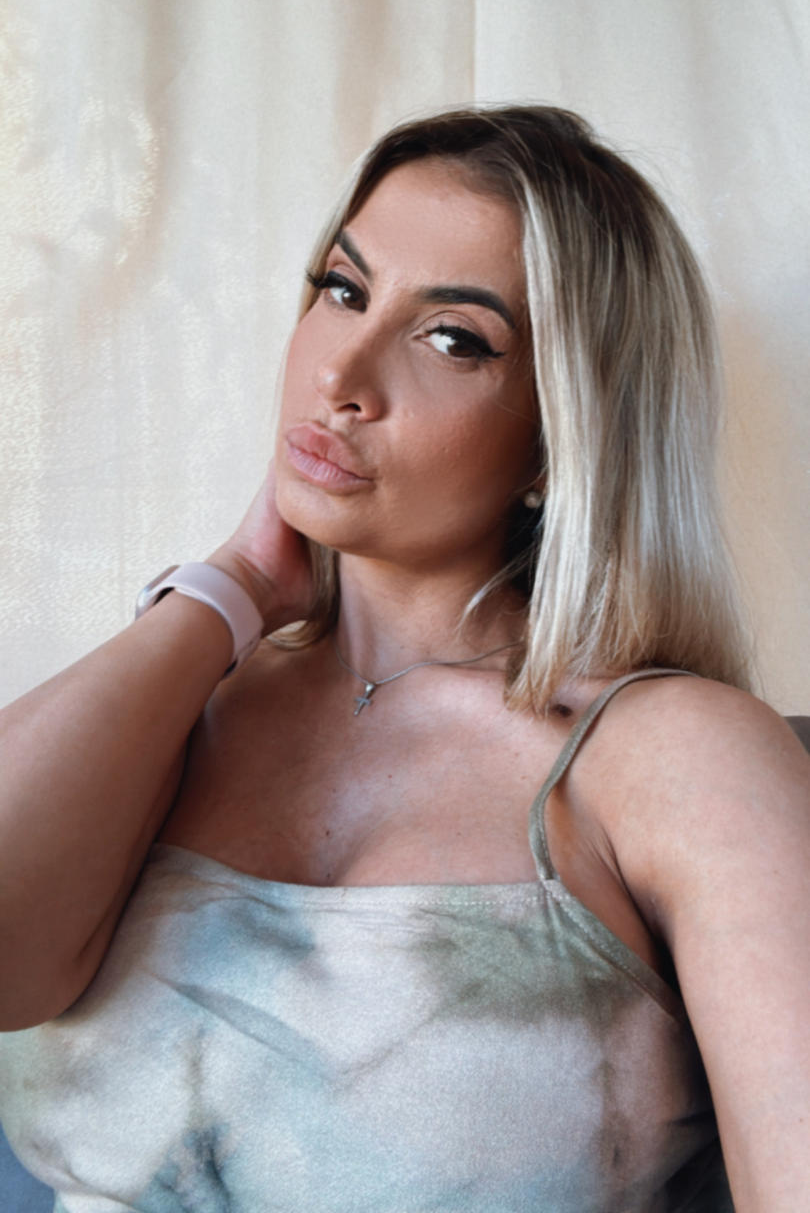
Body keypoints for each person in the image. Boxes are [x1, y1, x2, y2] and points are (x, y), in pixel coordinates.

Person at [0, 105, 808, 1212]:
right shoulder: (180, 701)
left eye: (453, 339)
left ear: (561, 436)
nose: (342, 373)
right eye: (344, 290)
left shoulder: (674, 756)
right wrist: (228, 589)